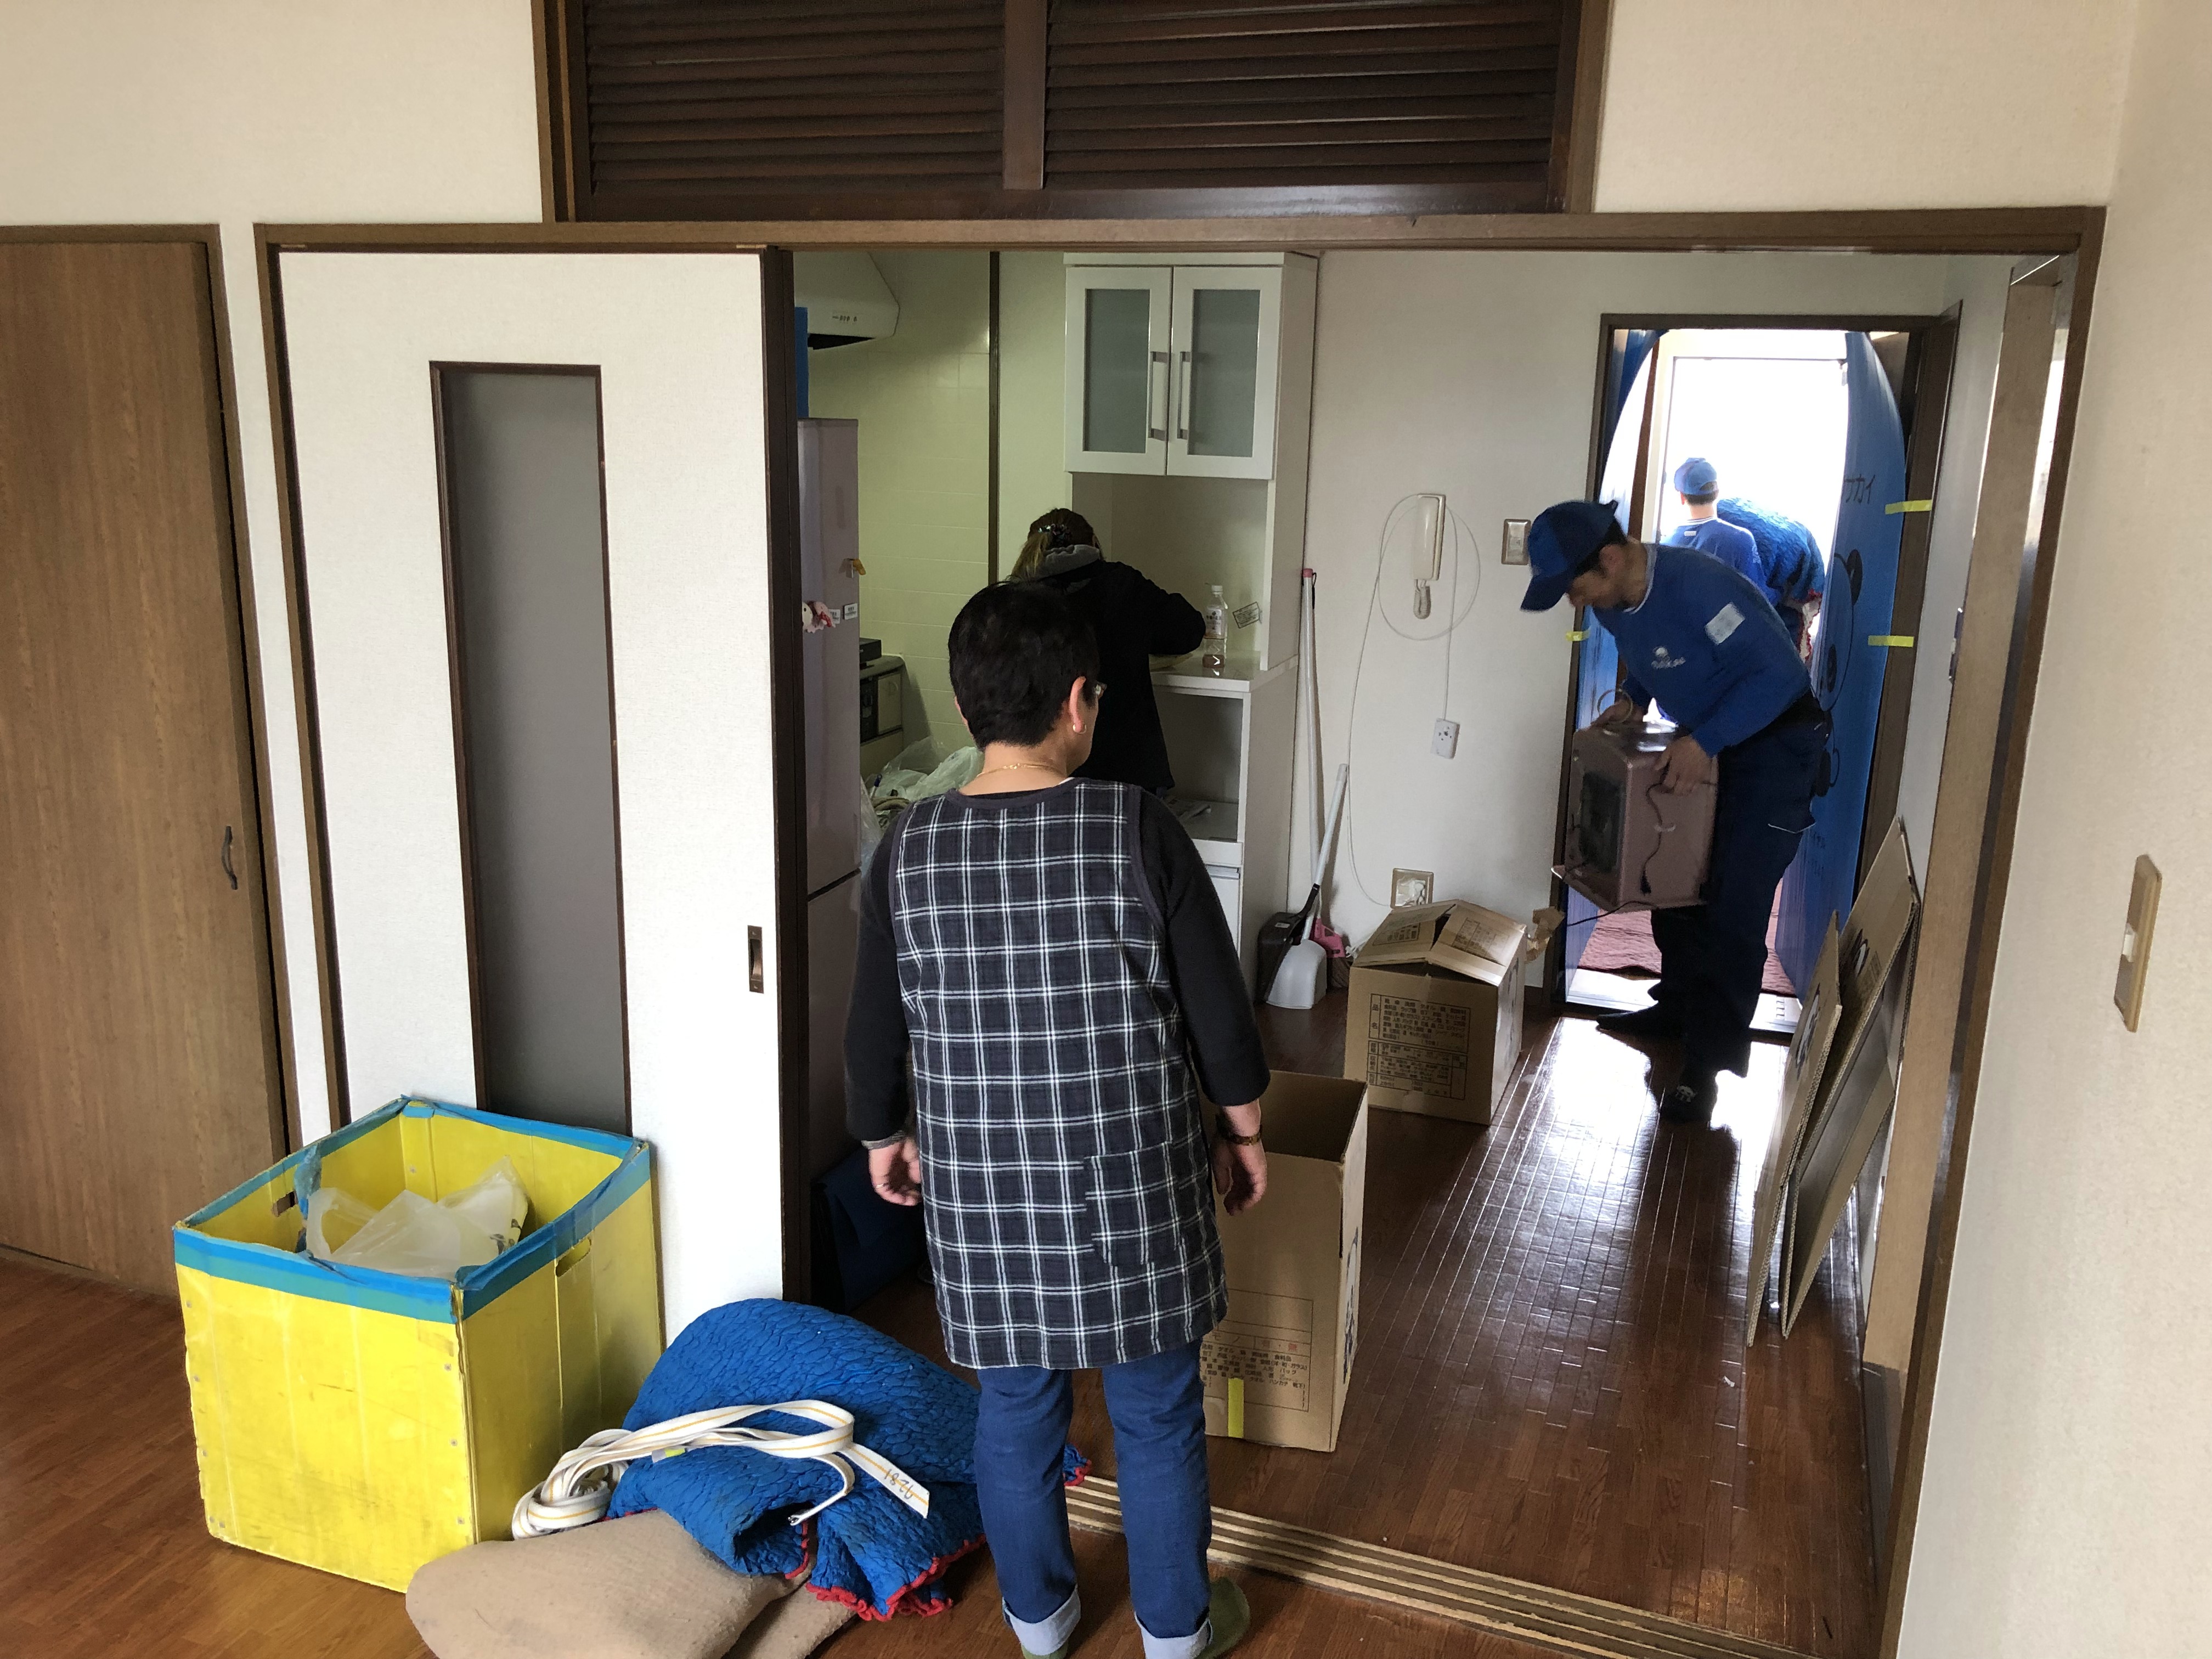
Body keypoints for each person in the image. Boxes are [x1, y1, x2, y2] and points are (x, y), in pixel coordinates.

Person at [844, 579, 1268, 1659]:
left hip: (986, 1185)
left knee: (1015, 1405)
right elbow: (1216, 1005)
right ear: (1080, 702)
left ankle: (1040, 1622)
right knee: (1156, 1411)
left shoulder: (908, 847)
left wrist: (881, 1135)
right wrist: (1245, 1129)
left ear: (966, 705)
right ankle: (1175, 1631)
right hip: (1135, 1176)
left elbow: (874, 1022)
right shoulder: (1137, 826)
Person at [1524, 499, 1827, 1124]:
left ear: (1611, 559)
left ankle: (1707, 1065)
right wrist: (1634, 699)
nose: (1574, 602)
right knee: (1675, 884)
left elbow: (1778, 678)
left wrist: (1705, 742)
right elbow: (1650, 655)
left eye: (1574, 587)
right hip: (1707, 740)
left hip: (1773, 745)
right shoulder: (1612, 604)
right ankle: (1676, 1008)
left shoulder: (1701, 588)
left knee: (1735, 905)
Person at [1011, 507, 1205, 793]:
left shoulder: (1014, 600)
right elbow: (1189, 631)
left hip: (1044, 768)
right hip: (1128, 768)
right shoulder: (1122, 584)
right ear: (1094, 543)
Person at [1663, 457, 1765, 589]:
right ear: (1717, 493)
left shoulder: (1665, 545)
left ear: (1682, 497)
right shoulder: (1740, 539)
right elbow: (1758, 594)